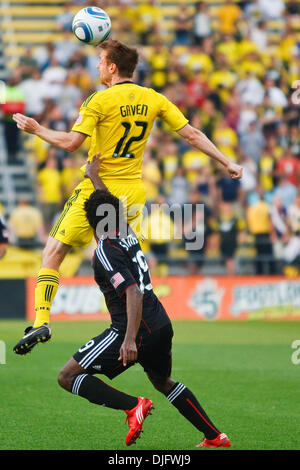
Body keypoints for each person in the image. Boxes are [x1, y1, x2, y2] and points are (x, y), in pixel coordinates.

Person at [12, 39, 242, 354]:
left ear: (112, 67)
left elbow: (70, 143)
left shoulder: (99, 100)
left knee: (53, 252)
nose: (96, 65)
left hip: (97, 189)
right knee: (113, 261)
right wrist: (226, 161)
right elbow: (191, 133)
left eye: (100, 60)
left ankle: (42, 321)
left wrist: (37, 129)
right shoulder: (153, 98)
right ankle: (136, 330)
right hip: (131, 193)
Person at [47, 154, 232, 447]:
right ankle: (214, 436)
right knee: (163, 382)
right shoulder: (126, 231)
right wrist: (94, 176)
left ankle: (133, 406)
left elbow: (132, 291)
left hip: (134, 329)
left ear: (89, 222)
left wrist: (129, 339)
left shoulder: (106, 250)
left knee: (67, 376)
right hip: (161, 323)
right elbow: (107, 203)